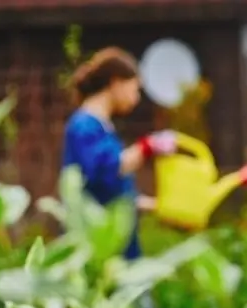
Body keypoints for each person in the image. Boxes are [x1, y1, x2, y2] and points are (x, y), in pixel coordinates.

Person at [61, 46, 176, 262]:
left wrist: (160, 206)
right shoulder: (84, 126)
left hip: (120, 245)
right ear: (116, 83)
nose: (137, 97)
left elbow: (111, 192)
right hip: (100, 247)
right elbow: (107, 169)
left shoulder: (102, 127)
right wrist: (147, 147)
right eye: (135, 89)